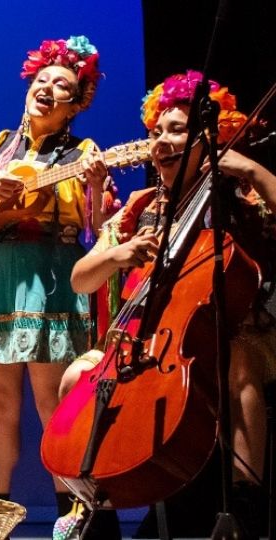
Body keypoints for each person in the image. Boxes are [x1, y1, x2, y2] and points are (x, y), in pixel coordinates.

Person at [63, 70, 276, 538]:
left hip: (235, 329)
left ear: (210, 138)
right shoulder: (141, 205)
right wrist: (119, 253)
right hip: (153, 341)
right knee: (75, 377)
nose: (160, 142)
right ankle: (98, 509)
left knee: (238, 365)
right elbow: (82, 279)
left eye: (176, 130)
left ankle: (245, 503)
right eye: (155, 132)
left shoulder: (240, 195)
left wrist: (252, 170)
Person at [0, 35, 118, 528]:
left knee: (52, 404)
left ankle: (74, 517)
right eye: (42, 80)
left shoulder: (83, 150)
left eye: (62, 86)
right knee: (0, 408)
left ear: (74, 106)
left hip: (51, 272)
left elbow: (97, 230)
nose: (48, 88)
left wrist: (96, 184)